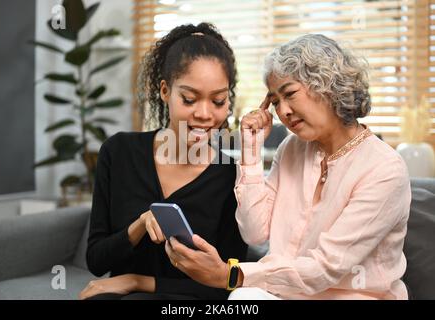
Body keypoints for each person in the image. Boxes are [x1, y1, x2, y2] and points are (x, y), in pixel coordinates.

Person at [165, 34, 411, 300]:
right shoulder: (292, 148)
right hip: (285, 294)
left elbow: (325, 268)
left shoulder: (384, 169)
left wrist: (231, 274)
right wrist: (250, 150)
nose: (283, 111)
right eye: (274, 101)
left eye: (290, 94)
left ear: (328, 86)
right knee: (243, 298)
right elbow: (254, 232)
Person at [79, 22, 247, 300]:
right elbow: (97, 261)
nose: (205, 114)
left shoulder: (232, 177)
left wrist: (136, 281)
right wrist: (139, 225)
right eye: (189, 99)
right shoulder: (118, 152)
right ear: (165, 91)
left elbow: (228, 284)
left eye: (218, 101)